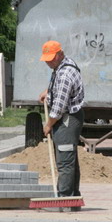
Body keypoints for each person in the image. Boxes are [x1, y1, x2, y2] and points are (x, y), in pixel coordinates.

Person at [38, 40, 85, 210]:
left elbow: (58, 108)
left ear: (59, 54)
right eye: (46, 59)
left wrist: (48, 124)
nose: (48, 62)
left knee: (65, 161)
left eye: (51, 58)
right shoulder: (61, 67)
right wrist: (48, 91)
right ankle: (73, 200)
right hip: (68, 117)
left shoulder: (65, 74)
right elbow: (58, 90)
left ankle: (64, 200)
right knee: (70, 160)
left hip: (67, 119)